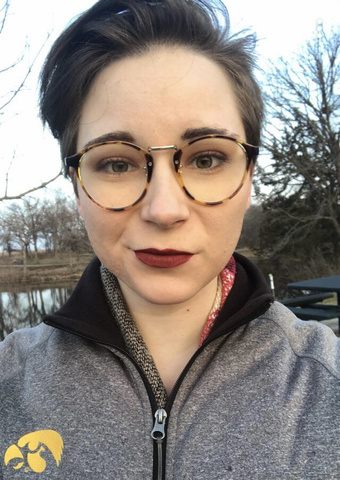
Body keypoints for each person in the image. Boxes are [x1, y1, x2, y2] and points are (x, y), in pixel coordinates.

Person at [0, 0, 339, 478]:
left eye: (205, 159)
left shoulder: (328, 386)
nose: (164, 210)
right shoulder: (8, 384)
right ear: (76, 186)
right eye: (116, 162)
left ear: (249, 180)